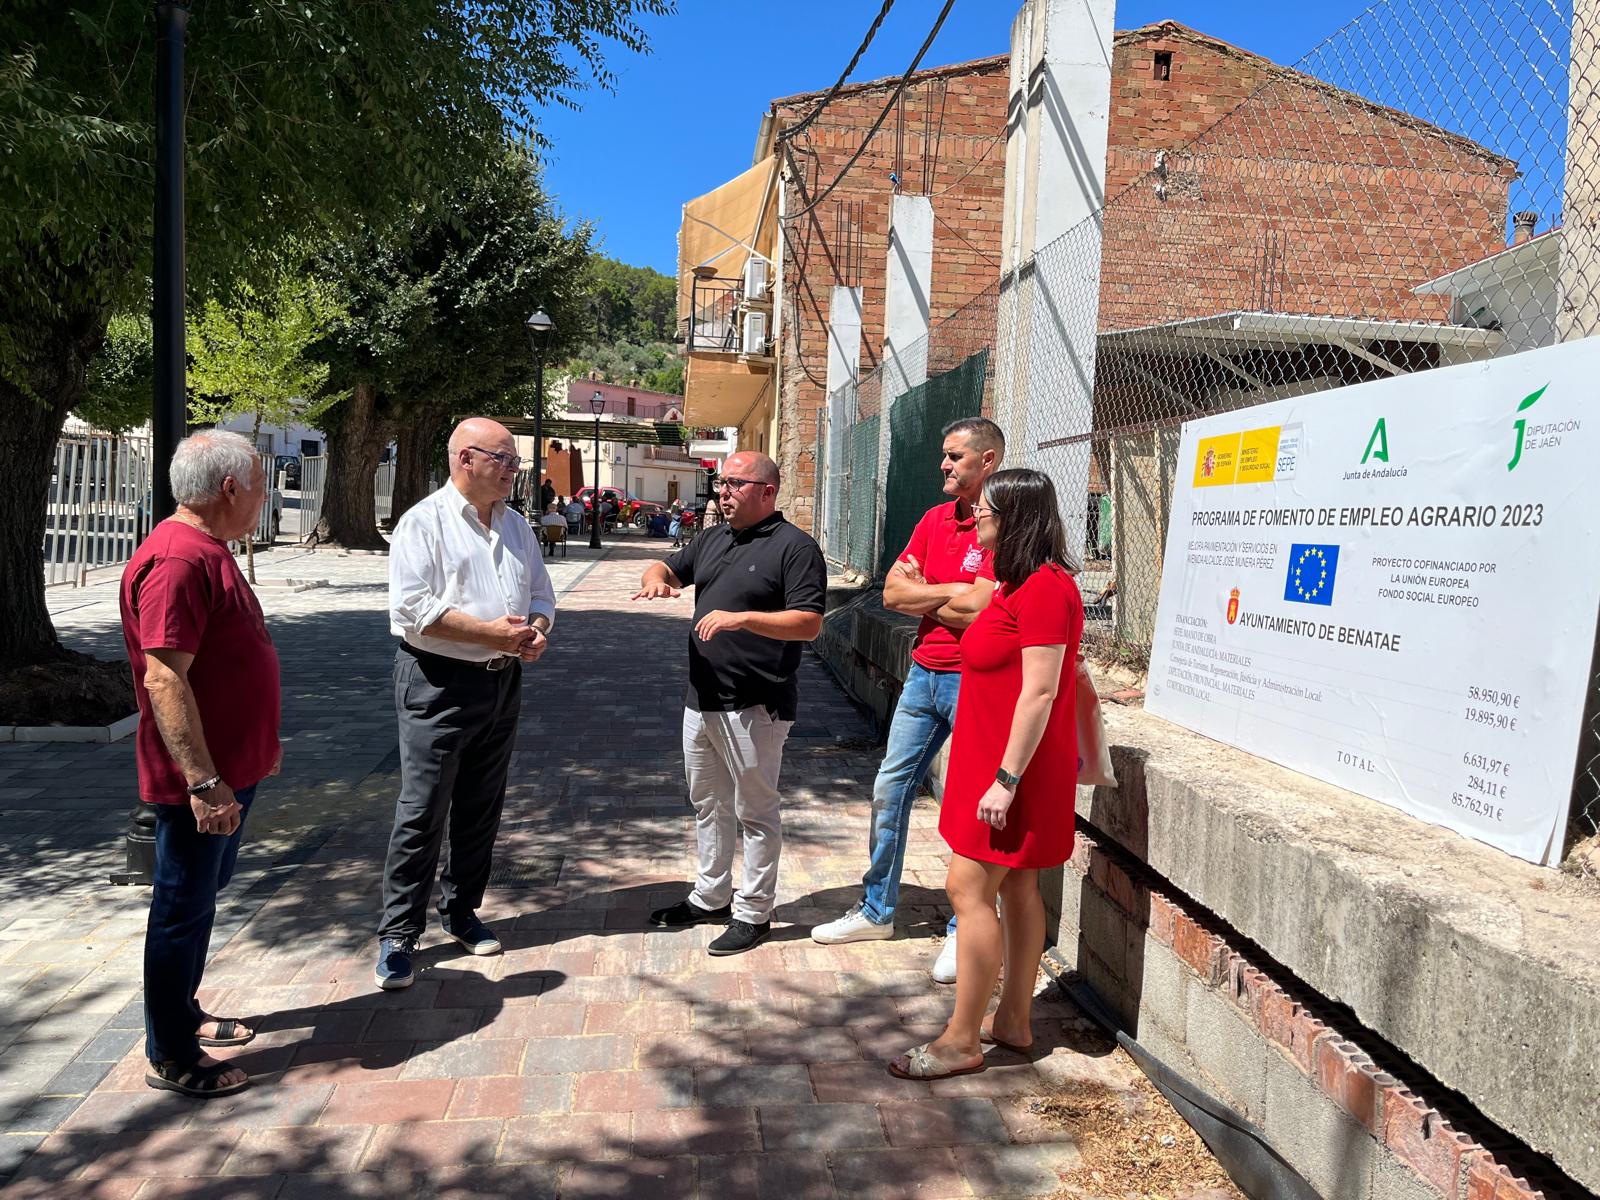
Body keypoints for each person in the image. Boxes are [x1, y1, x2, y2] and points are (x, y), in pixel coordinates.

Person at [887, 468, 1084, 1081]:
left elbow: (1042, 691)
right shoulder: (1013, 584)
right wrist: (936, 589)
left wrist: (1006, 779)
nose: (979, 522)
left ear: (1015, 519)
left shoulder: (1045, 589)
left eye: (989, 514)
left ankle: (959, 1040)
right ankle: (1014, 1022)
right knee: (1018, 888)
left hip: (1011, 770)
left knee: (967, 892)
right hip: (999, 763)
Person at [811, 418, 1005, 988]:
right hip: (923, 673)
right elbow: (893, 593)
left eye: (954, 457)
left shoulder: (1004, 525)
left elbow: (982, 611)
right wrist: (949, 595)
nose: (943, 466)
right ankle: (876, 912)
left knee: (967, 809)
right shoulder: (933, 520)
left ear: (987, 461)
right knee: (889, 789)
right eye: (944, 457)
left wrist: (928, 596)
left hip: (976, 680)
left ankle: (963, 931)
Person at [120, 429, 281, 1099]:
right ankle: (171, 1052)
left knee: (199, 900)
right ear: (230, 489)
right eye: (262, 484)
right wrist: (205, 780)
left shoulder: (207, 551)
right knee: (181, 907)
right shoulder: (179, 562)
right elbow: (164, 679)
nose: (266, 498)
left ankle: (182, 1012)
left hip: (228, 772)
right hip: (201, 783)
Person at [377, 417, 556, 989]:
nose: (513, 470)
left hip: (502, 681)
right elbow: (414, 610)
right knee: (424, 808)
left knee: (482, 804)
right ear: (465, 459)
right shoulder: (423, 523)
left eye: (514, 462)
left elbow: (540, 594)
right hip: (438, 681)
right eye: (503, 459)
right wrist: (493, 635)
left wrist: (536, 630)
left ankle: (460, 910)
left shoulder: (516, 526)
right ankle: (398, 934)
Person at [635, 453, 827, 956]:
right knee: (708, 804)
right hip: (701, 701)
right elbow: (666, 567)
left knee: (756, 811)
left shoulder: (796, 548)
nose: (723, 492)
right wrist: (655, 579)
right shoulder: (713, 538)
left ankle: (754, 912)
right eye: (721, 482)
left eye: (735, 484)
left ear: (767, 490)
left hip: (756, 703)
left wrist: (741, 619)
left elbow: (809, 622)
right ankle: (711, 896)